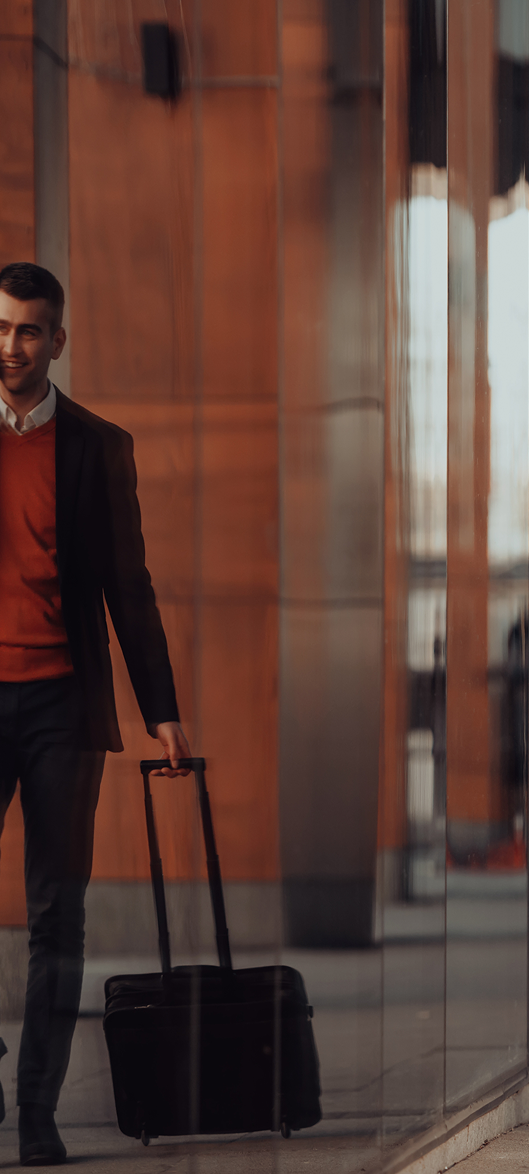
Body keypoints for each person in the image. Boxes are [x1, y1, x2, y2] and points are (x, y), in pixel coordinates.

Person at [0, 262, 190, 1165]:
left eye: (29, 330)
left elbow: (130, 587)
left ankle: (34, 1111)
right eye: (0, 326)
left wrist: (163, 709)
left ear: (57, 341)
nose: (10, 345)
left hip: (63, 709)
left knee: (56, 916)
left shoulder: (96, 446)